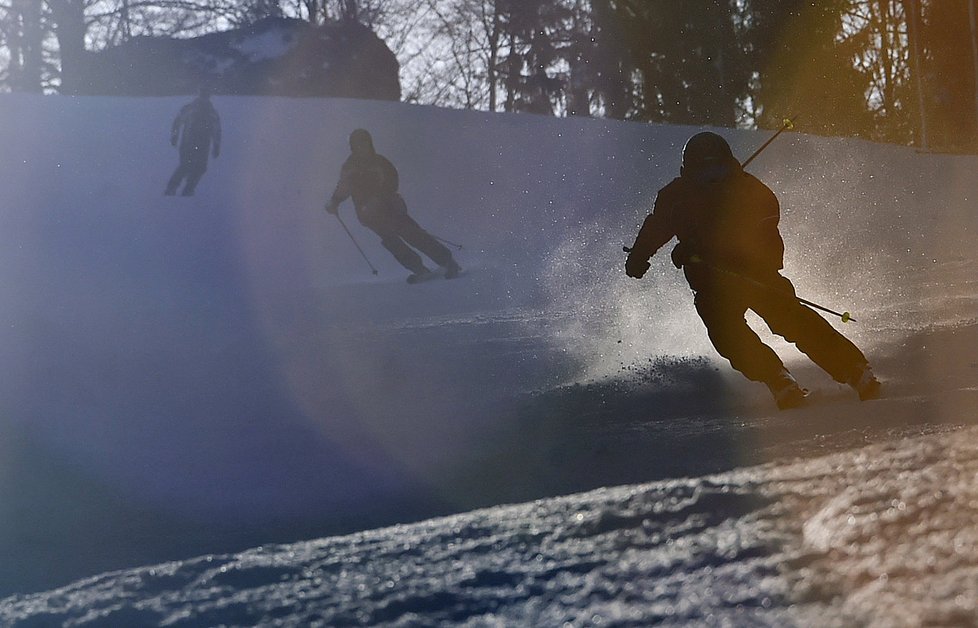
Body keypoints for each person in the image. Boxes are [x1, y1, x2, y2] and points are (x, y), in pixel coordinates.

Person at [624, 131, 881, 409]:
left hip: (755, 275)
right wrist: (639, 257)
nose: (712, 178)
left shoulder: (749, 190)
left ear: (729, 164)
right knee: (727, 334)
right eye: (703, 173)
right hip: (710, 284)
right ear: (688, 173)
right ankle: (776, 377)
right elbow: (655, 227)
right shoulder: (675, 197)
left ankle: (854, 369)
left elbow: (767, 231)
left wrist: (733, 253)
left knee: (791, 318)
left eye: (718, 169)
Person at [325, 129, 461, 283]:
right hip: (369, 213)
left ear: (370, 144)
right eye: (358, 144)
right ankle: (418, 268)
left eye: (365, 143)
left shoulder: (379, 162)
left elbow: (392, 182)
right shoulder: (350, 167)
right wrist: (335, 201)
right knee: (391, 241)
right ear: (353, 147)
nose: (362, 147)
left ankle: (447, 262)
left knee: (412, 233)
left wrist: (379, 197)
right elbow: (344, 187)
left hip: (389, 207)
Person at [165, 87, 221, 197]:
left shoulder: (211, 112)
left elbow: (217, 130)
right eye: (202, 95)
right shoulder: (190, 108)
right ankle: (171, 188)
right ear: (199, 95)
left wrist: (216, 146)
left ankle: (188, 190)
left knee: (200, 168)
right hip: (188, 143)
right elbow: (177, 121)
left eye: (206, 95)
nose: (204, 97)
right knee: (186, 165)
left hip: (203, 145)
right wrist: (174, 136)